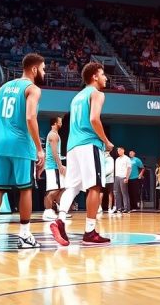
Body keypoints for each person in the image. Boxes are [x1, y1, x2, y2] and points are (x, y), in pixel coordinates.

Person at [0, 53, 46, 250]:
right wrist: (39, 149)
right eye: (43, 69)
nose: (44, 73)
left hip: (0, 146)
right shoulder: (32, 89)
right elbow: (30, 117)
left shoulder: (4, 88)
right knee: (25, 189)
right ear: (34, 69)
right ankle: (25, 236)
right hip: (21, 145)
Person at [50, 62, 114, 246]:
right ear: (94, 76)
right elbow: (94, 119)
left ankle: (60, 220)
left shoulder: (76, 97)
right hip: (89, 144)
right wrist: (106, 141)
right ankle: (90, 232)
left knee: (72, 187)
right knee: (95, 186)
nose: (106, 78)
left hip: (72, 147)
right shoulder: (97, 93)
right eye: (103, 74)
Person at [43, 117, 66, 220]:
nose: (61, 123)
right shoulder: (53, 135)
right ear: (55, 123)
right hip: (53, 166)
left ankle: (60, 209)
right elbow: (54, 152)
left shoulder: (55, 135)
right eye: (60, 121)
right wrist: (60, 165)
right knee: (53, 190)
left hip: (54, 166)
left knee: (62, 188)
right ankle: (47, 211)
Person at [114, 147, 132, 213]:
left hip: (123, 177)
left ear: (123, 151)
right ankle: (118, 208)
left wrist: (127, 177)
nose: (118, 152)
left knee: (124, 193)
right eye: (118, 151)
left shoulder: (127, 158)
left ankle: (126, 208)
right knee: (117, 193)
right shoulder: (117, 159)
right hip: (117, 177)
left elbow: (129, 168)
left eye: (120, 150)